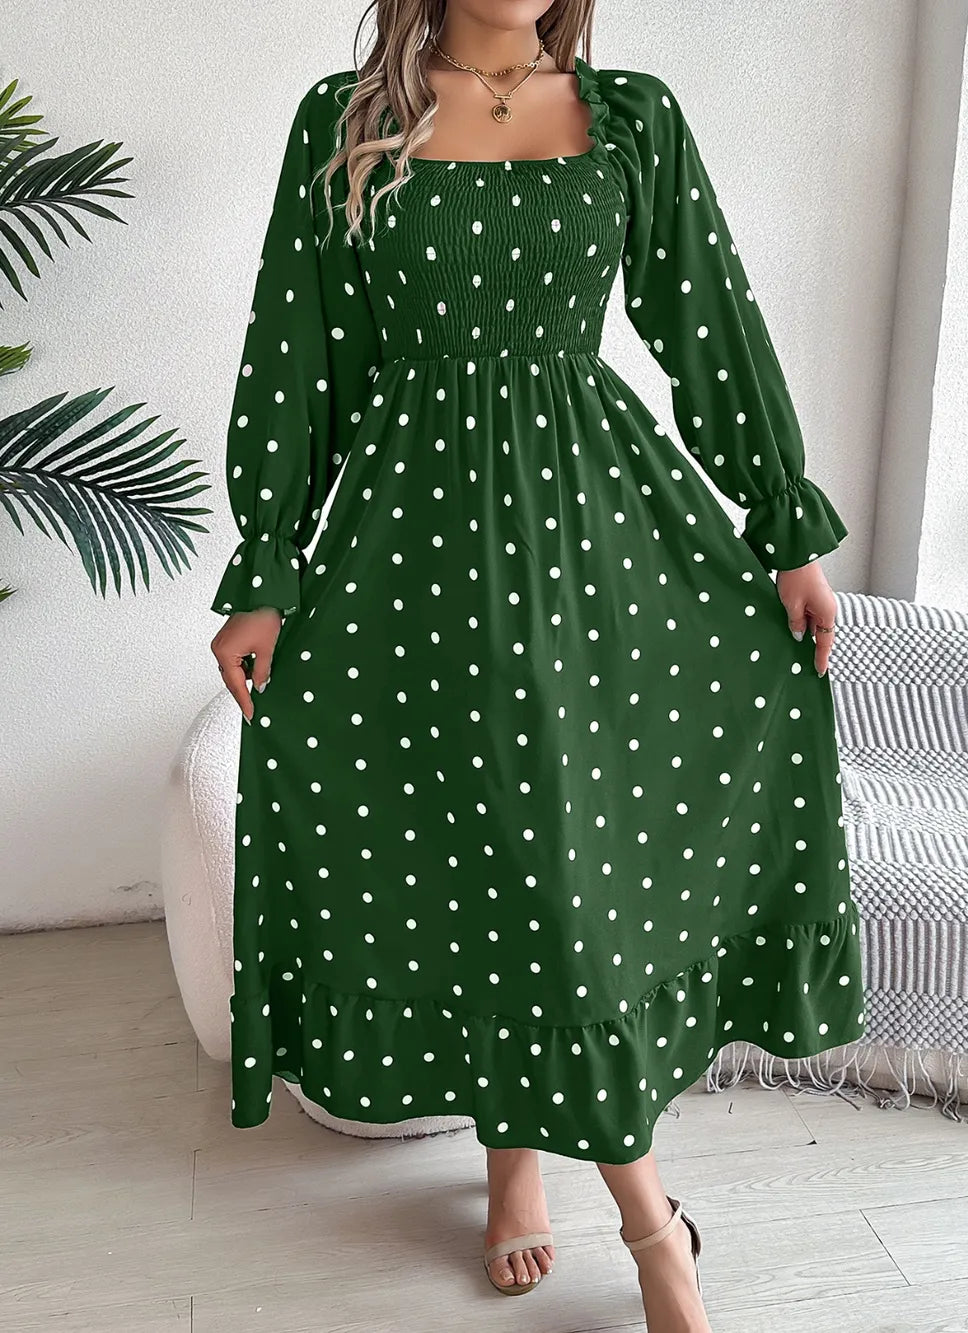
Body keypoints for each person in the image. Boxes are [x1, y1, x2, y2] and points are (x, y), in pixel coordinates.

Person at [209, 4, 866, 1329]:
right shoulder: (348, 122)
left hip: (590, 530)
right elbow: (300, 351)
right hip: (411, 542)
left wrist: (783, 525)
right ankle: (575, 1185)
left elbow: (708, 323)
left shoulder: (633, 117)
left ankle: (630, 1211)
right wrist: (267, 564)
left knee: (561, 867)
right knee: (483, 849)